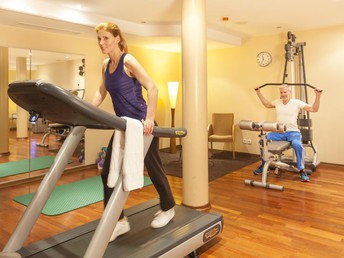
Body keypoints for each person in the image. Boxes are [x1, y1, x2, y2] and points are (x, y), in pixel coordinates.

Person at [91, 22, 175, 242]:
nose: (101, 43)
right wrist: (87, 111)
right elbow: (101, 93)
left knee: (153, 168)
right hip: (123, 126)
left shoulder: (128, 60)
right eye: (99, 39)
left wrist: (149, 119)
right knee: (107, 171)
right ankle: (119, 221)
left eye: (106, 38)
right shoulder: (105, 65)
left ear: (117, 38)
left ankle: (168, 208)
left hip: (141, 125)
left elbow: (153, 87)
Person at [254, 84, 322, 182]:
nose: (283, 94)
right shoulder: (277, 102)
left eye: (285, 92)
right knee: (263, 141)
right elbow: (267, 105)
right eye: (281, 92)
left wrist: (318, 96)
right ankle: (264, 165)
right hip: (279, 132)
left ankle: (302, 170)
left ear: (290, 92)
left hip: (293, 133)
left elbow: (314, 109)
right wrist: (258, 93)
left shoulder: (296, 102)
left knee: (297, 144)